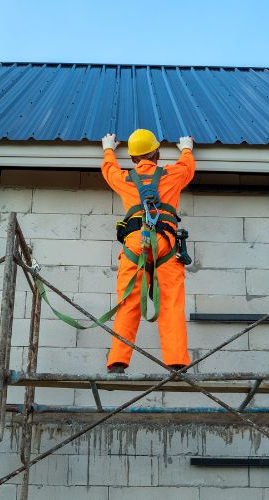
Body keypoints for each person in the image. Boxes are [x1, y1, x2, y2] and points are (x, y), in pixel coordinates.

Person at [100, 129, 195, 373]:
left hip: (136, 243)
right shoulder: (172, 174)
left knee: (128, 300)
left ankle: (118, 362)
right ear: (157, 153)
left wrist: (108, 149)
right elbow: (187, 167)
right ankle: (176, 362)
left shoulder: (124, 178)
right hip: (166, 243)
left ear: (132, 158)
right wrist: (186, 148)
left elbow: (108, 170)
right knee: (171, 302)